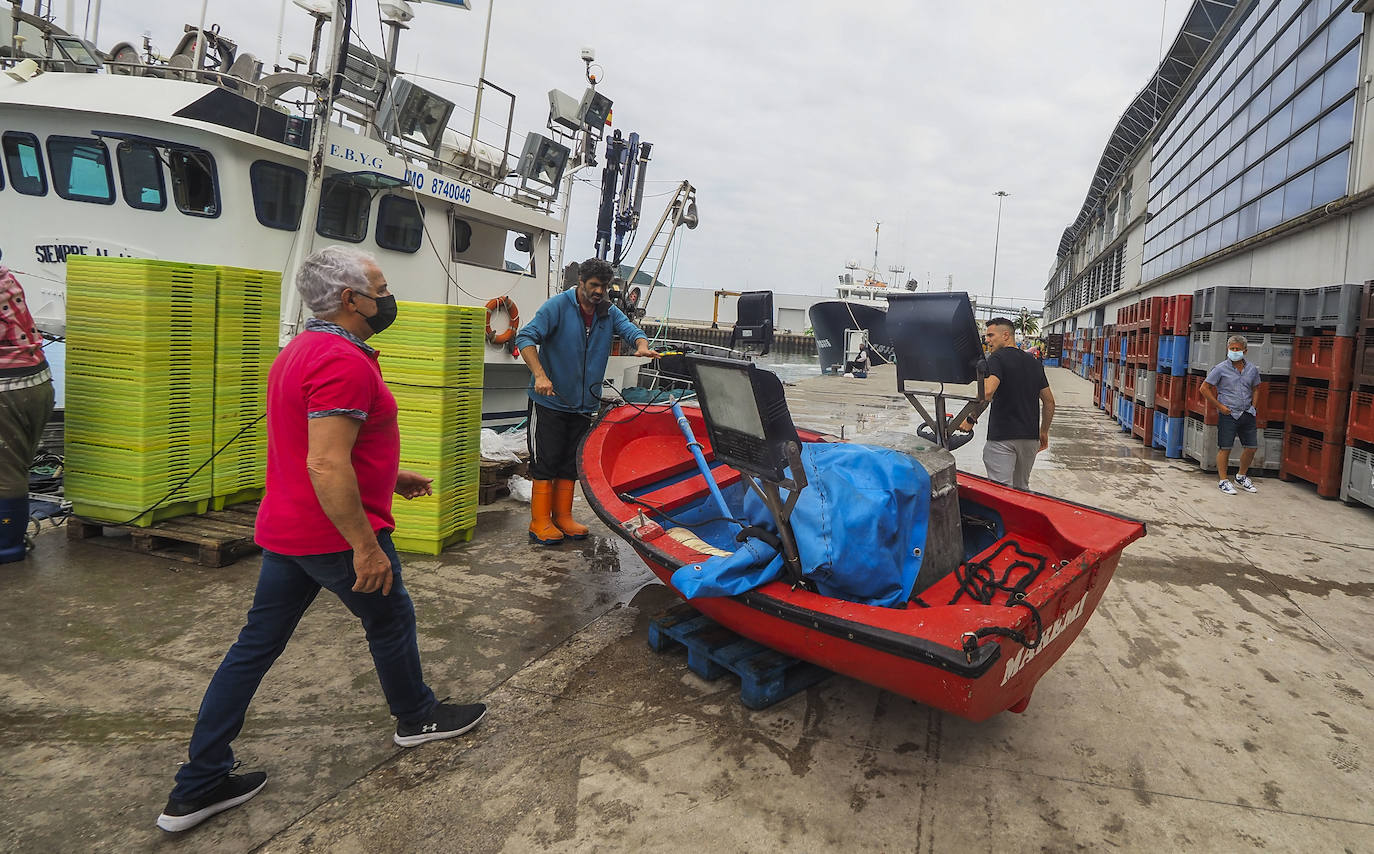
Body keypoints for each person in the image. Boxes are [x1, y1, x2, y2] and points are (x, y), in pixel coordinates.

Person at [157, 247, 486, 833]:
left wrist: (391, 474)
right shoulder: (343, 362)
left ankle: (198, 783)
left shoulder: (301, 350)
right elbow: (327, 465)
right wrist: (365, 545)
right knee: (389, 621)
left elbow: (321, 445)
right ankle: (417, 717)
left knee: (255, 647)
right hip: (329, 534)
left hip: (288, 529)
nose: (389, 298)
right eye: (380, 288)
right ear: (350, 299)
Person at [514, 258, 657, 545]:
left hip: (583, 405)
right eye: (594, 285)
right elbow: (525, 337)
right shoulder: (557, 306)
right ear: (580, 281)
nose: (599, 292)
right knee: (546, 462)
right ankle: (539, 521)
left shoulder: (608, 311)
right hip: (550, 401)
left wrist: (641, 345)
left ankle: (563, 516)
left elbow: (631, 331)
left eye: (603, 287)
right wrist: (540, 376)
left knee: (569, 464)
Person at [0, 265, 55, 563]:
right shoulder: (5, 276)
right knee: (15, 467)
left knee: (4, 473)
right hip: (36, 383)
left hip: (8, 389)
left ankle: (6, 547)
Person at [964, 317, 1055, 491]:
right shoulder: (1034, 363)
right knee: (1021, 490)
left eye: (991, 335)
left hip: (1003, 438)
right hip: (1030, 438)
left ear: (1006, 335)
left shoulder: (996, 359)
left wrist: (970, 418)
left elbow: (988, 392)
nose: (987, 340)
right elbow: (1049, 401)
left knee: (1001, 492)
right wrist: (1043, 432)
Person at [1200, 335, 1261, 495]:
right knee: (1225, 447)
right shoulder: (1220, 369)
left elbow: (1256, 388)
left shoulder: (1252, 369)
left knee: (1251, 447)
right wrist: (1220, 406)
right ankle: (1223, 480)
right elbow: (1204, 388)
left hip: (1247, 413)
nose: (1234, 352)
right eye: (1232, 349)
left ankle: (1241, 476)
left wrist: (1253, 407)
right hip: (1229, 414)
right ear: (1227, 350)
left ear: (1244, 351)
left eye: (1237, 349)